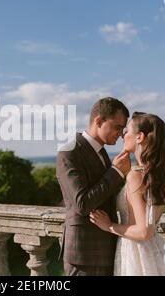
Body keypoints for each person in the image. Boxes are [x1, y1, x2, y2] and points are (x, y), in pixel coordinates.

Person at [89, 112, 165, 276]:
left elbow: (143, 231)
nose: (122, 135)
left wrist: (108, 225)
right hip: (155, 247)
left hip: (137, 252)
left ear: (139, 137)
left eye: (126, 131)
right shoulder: (161, 177)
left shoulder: (136, 176)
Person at [56, 97, 131, 276]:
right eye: (118, 127)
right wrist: (116, 173)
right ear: (99, 121)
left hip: (106, 248)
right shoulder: (70, 151)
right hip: (84, 254)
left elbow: (107, 194)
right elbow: (82, 203)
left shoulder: (101, 152)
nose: (121, 134)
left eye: (123, 129)